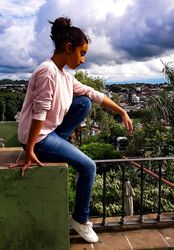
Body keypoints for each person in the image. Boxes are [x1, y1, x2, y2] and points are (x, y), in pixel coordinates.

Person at [12, 17, 133, 243]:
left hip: (49, 133)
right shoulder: (47, 72)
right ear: (68, 48)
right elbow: (39, 113)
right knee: (89, 167)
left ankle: (61, 141)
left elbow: (94, 94)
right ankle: (80, 219)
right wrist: (29, 150)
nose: (84, 59)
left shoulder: (64, 76)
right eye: (82, 52)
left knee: (84, 101)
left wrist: (121, 112)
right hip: (37, 139)